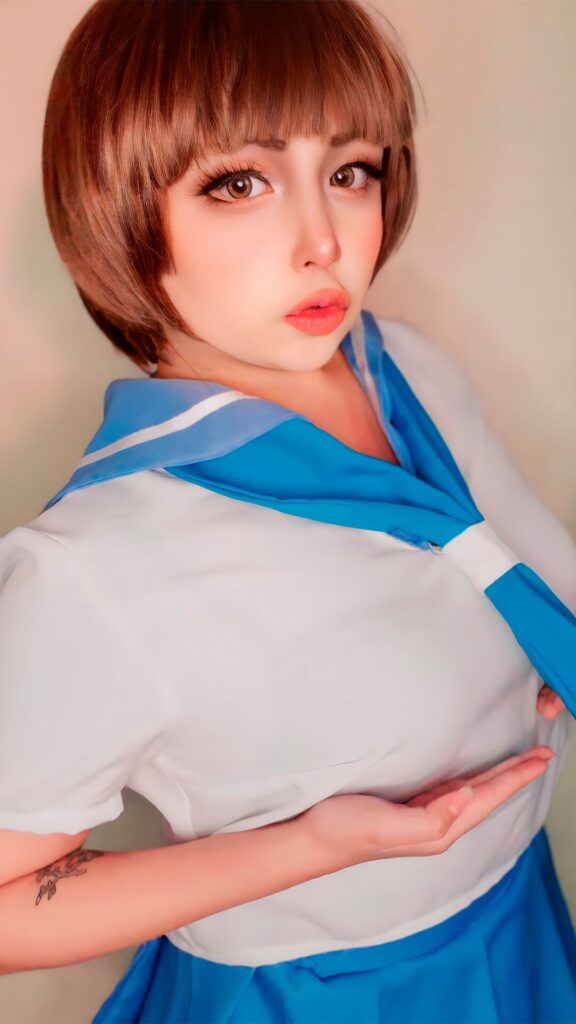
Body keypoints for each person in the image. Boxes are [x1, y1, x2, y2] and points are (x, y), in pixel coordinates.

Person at [0, 1, 574, 1020]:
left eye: (350, 171)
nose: (325, 242)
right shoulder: (93, 572)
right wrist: (311, 846)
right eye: (239, 183)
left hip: (522, 920)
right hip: (320, 998)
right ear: (117, 206)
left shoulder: (405, 367)